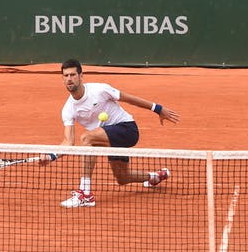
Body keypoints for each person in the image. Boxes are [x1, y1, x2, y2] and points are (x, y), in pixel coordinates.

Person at [45, 58, 178, 208]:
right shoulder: (68, 109)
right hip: (106, 137)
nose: (69, 79)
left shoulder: (99, 90)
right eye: (66, 76)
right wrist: (51, 155)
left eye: (73, 75)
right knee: (122, 177)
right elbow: (68, 142)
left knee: (87, 138)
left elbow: (129, 99)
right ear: (62, 79)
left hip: (127, 129)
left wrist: (158, 109)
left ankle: (85, 194)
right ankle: (155, 177)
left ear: (81, 76)